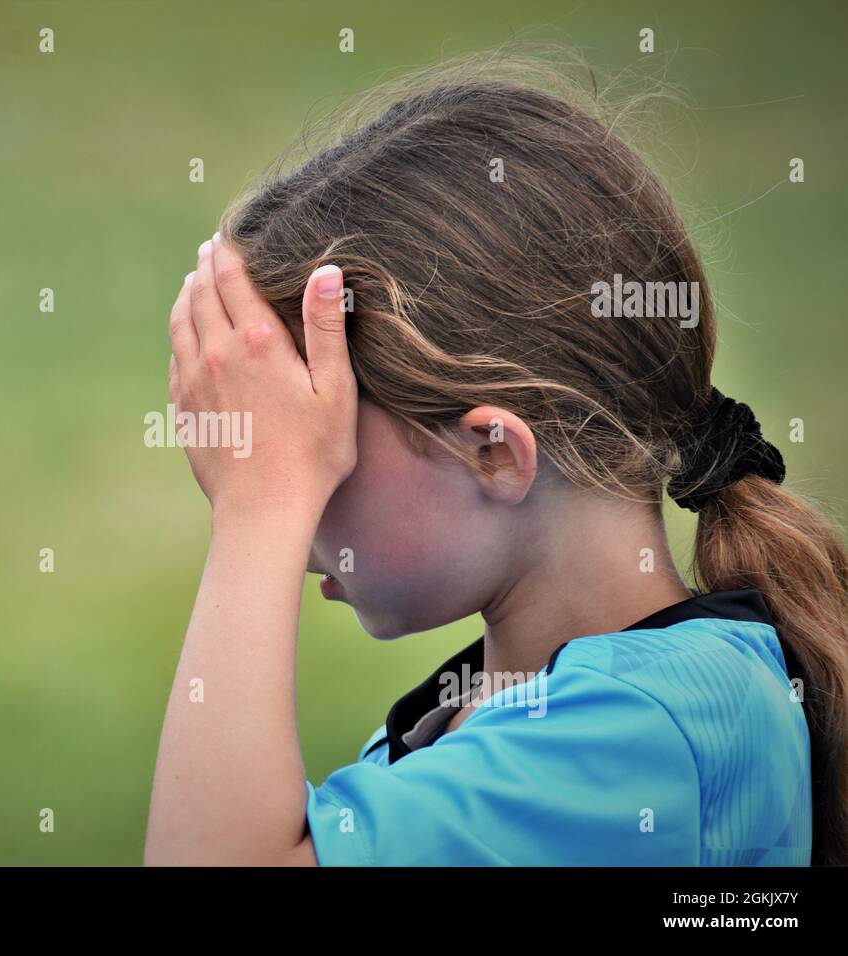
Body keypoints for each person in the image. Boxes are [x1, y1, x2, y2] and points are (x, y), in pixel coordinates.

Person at [143, 61, 846, 866]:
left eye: (318, 457)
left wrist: (256, 510)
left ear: (493, 453)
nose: (297, 536)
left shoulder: (648, 727)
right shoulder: (482, 717)